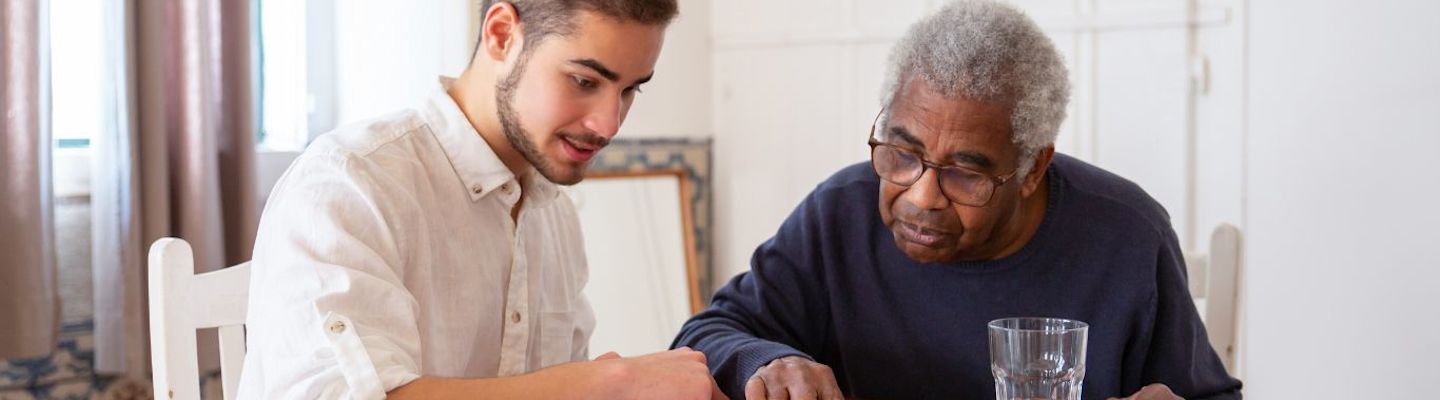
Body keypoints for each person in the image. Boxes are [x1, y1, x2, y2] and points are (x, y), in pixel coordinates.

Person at [672, 1, 1243, 399]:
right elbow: (702, 336)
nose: (920, 196)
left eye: (965, 174)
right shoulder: (838, 214)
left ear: (1031, 167)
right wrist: (769, 360)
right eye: (901, 152)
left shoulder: (1126, 234)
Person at [238, 1, 724, 399]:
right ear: (501, 34)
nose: (609, 124)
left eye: (629, 91)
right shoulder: (352, 183)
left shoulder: (553, 214)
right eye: (584, 81)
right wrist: (608, 382)